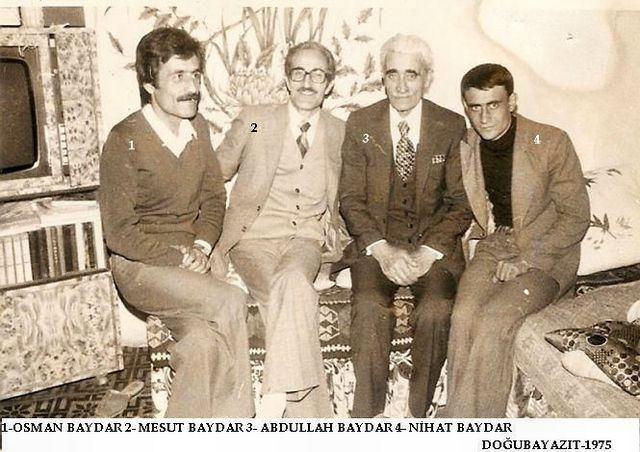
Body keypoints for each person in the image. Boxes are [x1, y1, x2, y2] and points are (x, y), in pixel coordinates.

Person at [99, 27, 253, 418]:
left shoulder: (197, 127)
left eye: (196, 75)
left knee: (201, 341)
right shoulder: (124, 140)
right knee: (231, 299)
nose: (192, 87)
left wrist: (201, 247)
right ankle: (240, 421)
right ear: (150, 84)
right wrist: (179, 257)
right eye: (178, 76)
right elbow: (118, 234)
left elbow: (214, 198)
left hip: (187, 263)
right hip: (140, 267)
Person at [338, 34, 473, 418]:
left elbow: (461, 202)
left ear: (426, 78)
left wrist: (428, 253)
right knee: (368, 306)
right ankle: (366, 414)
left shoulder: (450, 125)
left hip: (432, 248)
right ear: (382, 77)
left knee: (438, 309)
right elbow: (350, 199)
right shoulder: (361, 123)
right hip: (378, 245)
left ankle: (418, 410)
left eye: (411, 75)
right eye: (392, 74)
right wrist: (383, 251)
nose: (400, 85)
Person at [446, 63, 590, 417]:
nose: (483, 117)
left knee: (494, 319)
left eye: (493, 105)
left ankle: (469, 425)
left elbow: (576, 217)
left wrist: (528, 260)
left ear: (512, 102)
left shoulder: (550, 141)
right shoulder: (466, 144)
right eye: (474, 107)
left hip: (548, 254)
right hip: (497, 243)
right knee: (463, 315)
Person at [211, 41, 346, 417]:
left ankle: (274, 397)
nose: (307, 82)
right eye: (298, 72)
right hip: (252, 238)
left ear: (329, 84)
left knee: (292, 281)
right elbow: (215, 173)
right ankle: (309, 420)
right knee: (294, 293)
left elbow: (353, 195)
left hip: (306, 238)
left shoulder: (341, 131)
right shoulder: (256, 120)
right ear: (287, 79)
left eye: (317, 74)